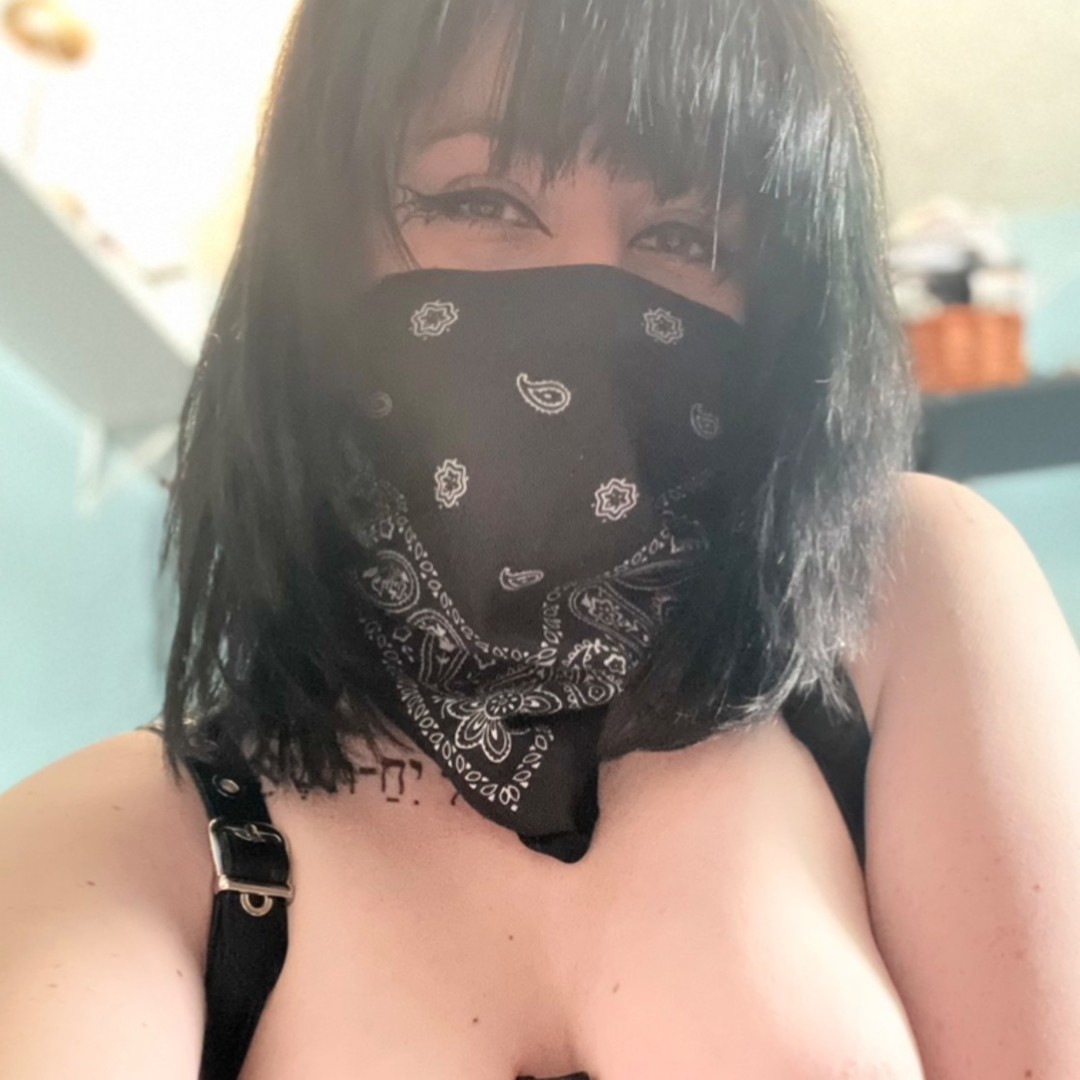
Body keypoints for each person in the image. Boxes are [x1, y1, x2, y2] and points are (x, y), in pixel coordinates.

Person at [3, 1, 1079, 1077]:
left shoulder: (896, 597)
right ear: (323, 253)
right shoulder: (122, 842)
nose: (591, 293)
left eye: (686, 237)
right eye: (482, 200)